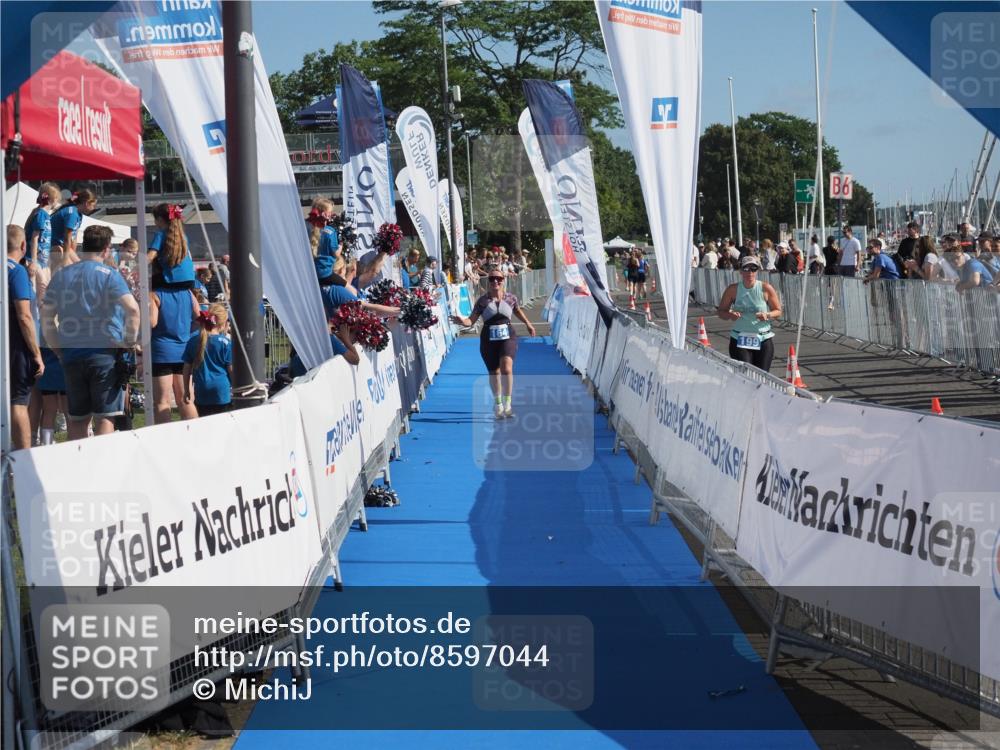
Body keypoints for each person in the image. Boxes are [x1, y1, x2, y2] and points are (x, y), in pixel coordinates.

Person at [41, 225, 140, 441]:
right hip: (105, 353)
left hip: (71, 353)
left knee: (77, 419)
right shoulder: (110, 275)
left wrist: (57, 349)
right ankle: (102, 461)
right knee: (105, 418)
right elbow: (133, 310)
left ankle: (78, 461)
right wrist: (128, 342)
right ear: (106, 249)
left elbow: (46, 316)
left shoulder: (61, 275)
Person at [450, 269, 536, 419]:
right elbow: (471, 320)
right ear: (488, 282)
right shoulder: (482, 301)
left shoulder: (511, 298)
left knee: (507, 369)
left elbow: (517, 311)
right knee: (494, 372)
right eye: (492, 279)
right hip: (488, 339)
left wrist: (528, 323)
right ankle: (498, 404)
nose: (495, 281)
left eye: (498, 278)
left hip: (508, 336)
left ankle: (508, 404)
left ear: (503, 280)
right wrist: (462, 321)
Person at [7, 226, 45, 450]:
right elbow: (24, 316)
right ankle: (23, 459)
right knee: (18, 403)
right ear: (23, 246)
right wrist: (36, 353)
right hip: (15, 347)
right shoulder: (16, 271)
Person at [716, 255, 782, 372]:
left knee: (762, 376)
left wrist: (767, 315)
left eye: (753, 269)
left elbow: (778, 311)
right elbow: (721, 312)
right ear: (740, 271)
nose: (750, 272)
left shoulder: (765, 288)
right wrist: (730, 315)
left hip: (763, 338)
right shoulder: (733, 289)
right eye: (746, 269)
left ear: (757, 271)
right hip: (740, 338)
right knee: (746, 375)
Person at [182, 304, 233, 417]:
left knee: (205, 424)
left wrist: (186, 390)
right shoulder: (226, 343)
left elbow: (186, 369)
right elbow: (231, 370)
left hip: (201, 390)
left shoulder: (193, 341)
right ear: (223, 323)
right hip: (221, 391)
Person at [24, 182, 61, 299]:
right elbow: (34, 239)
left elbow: (43, 240)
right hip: (34, 259)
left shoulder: (45, 215)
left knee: (45, 289)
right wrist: (34, 262)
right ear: (53, 199)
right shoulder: (41, 215)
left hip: (42, 260)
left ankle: (40, 310)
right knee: (41, 289)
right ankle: (36, 310)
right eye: (57, 199)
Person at [148, 203, 196, 289]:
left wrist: (136, 268)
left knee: (146, 285)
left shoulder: (160, 234)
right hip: (190, 279)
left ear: (159, 219)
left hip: (172, 280)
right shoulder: (183, 236)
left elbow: (150, 257)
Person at [288, 325, 360, 377]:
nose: (356, 340)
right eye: (356, 335)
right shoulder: (329, 340)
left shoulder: (309, 334)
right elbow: (355, 360)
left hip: (297, 375)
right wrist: (346, 339)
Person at [50, 189, 98, 264]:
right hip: (52, 245)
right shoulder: (72, 214)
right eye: (93, 205)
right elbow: (67, 238)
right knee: (70, 265)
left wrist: (73, 254)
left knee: (79, 265)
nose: (94, 208)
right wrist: (65, 259)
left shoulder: (79, 215)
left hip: (62, 245)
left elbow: (73, 238)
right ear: (86, 203)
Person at [307, 198, 338, 284]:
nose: (332, 214)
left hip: (308, 272)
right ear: (324, 213)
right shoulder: (330, 231)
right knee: (351, 290)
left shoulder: (305, 225)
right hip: (325, 273)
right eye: (330, 212)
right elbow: (336, 254)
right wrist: (341, 244)